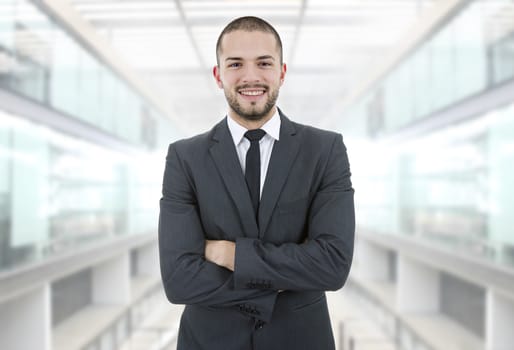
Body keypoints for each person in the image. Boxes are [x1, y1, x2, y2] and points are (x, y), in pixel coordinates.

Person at [158, 16, 355, 350]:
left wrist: (228, 253)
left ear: (282, 72)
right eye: (236, 64)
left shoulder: (325, 150)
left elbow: (332, 265)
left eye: (264, 63)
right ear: (219, 76)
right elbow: (178, 280)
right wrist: (287, 276)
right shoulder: (185, 158)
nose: (250, 77)